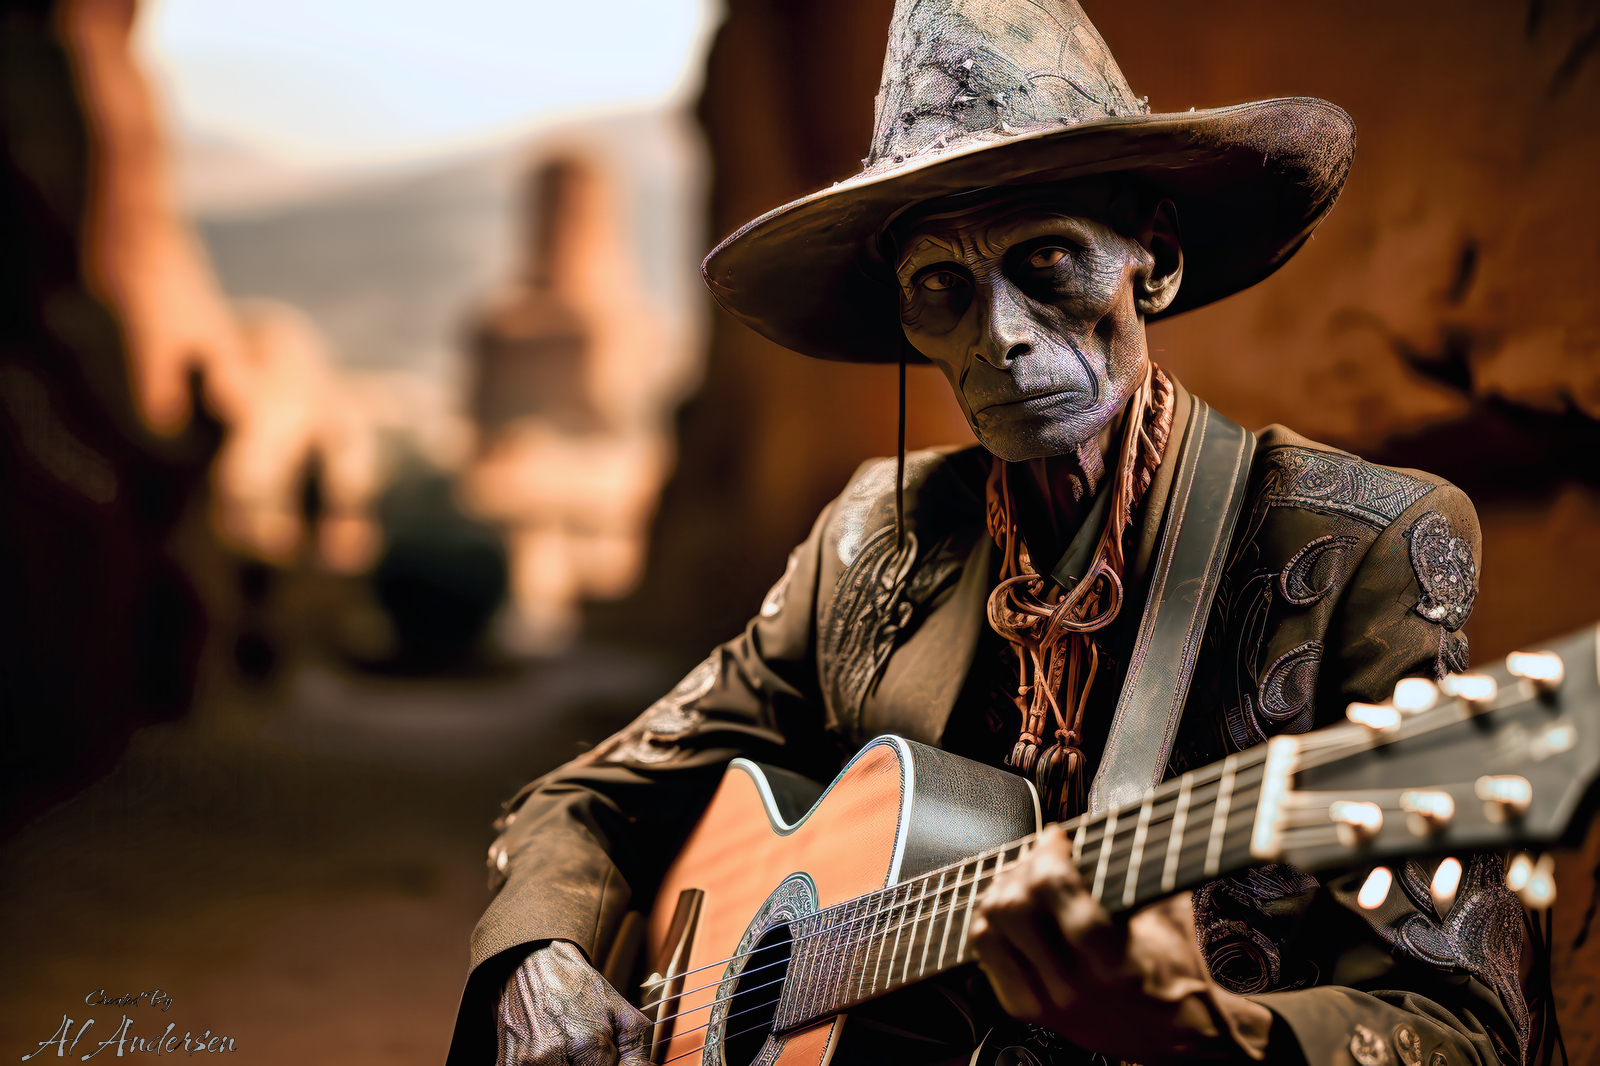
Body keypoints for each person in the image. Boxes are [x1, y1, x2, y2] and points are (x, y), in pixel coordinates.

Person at [446, 3, 1535, 1065]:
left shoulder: (1355, 550)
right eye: (940, 288)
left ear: (1150, 258)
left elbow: (1468, 1029)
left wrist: (1203, 1029)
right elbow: (584, 797)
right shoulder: (872, 537)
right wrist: (538, 953)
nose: (999, 336)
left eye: (1047, 262)